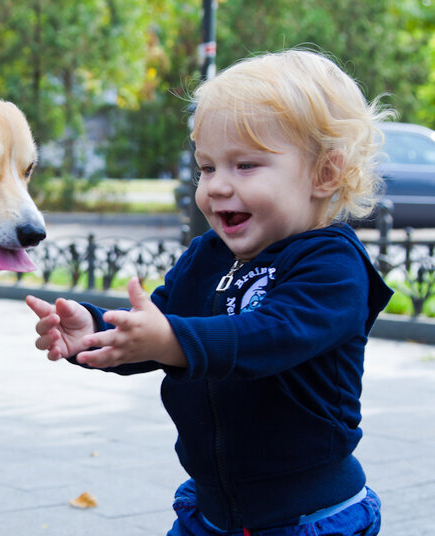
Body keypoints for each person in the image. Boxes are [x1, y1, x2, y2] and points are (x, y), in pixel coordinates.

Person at [26, 49, 393, 536]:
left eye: (244, 166)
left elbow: (268, 337)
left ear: (324, 174)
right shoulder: (208, 255)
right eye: (206, 167)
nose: (216, 186)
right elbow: (157, 327)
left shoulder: (333, 266)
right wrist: (95, 332)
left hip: (311, 518)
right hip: (209, 510)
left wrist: (169, 339)